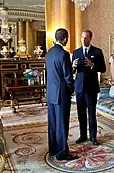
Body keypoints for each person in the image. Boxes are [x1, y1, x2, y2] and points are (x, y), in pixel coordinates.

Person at [45, 28, 78, 160]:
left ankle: (53, 149)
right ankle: (62, 153)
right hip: (61, 94)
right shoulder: (64, 54)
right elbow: (68, 76)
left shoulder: (49, 53)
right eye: (67, 38)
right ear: (64, 38)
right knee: (62, 123)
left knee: (53, 122)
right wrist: (72, 89)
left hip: (51, 93)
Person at [72, 30, 106, 145]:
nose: (83, 40)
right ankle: (82, 135)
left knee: (91, 113)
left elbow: (103, 69)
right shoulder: (76, 52)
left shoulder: (97, 52)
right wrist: (73, 66)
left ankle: (93, 137)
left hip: (91, 88)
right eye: (82, 37)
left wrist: (93, 65)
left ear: (90, 38)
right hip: (79, 88)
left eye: (86, 38)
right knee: (81, 113)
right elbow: (73, 70)